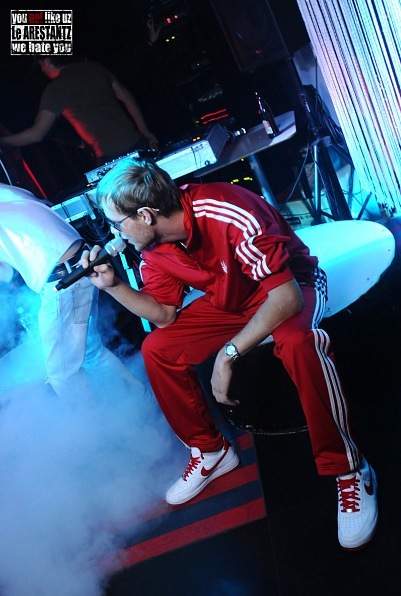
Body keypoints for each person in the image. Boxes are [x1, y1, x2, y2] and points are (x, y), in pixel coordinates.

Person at [79, 157, 378, 551]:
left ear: (146, 215)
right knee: (158, 349)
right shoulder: (153, 248)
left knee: (297, 343)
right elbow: (164, 315)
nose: (115, 233)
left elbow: (286, 298)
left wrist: (228, 355)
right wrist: (114, 286)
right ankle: (211, 451)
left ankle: (350, 469)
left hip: (292, 286)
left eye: (117, 223)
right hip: (232, 303)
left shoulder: (225, 209)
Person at [0, 182, 145, 400]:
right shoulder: (6, 191)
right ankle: (141, 400)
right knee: (91, 351)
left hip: (64, 282)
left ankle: (93, 421)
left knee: (62, 374)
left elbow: (6, 274)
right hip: (82, 267)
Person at [0, 55, 158, 168]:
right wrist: (145, 131)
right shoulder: (94, 67)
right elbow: (126, 96)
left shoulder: (55, 88)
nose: (41, 70)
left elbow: (37, 133)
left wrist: (4, 141)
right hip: (138, 143)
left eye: (40, 64)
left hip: (112, 158)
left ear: (48, 60)